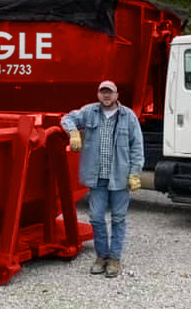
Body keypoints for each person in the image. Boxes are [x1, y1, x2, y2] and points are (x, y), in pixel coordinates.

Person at [61, 80, 144, 278]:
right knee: (96, 218)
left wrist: (134, 173)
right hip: (97, 178)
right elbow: (66, 118)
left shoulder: (128, 117)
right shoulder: (89, 112)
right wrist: (73, 132)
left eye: (110, 93)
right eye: (103, 92)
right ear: (98, 94)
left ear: (116, 95)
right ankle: (101, 257)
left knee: (118, 218)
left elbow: (137, 147)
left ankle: (114, 259)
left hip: (120, 177)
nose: (106, 96)